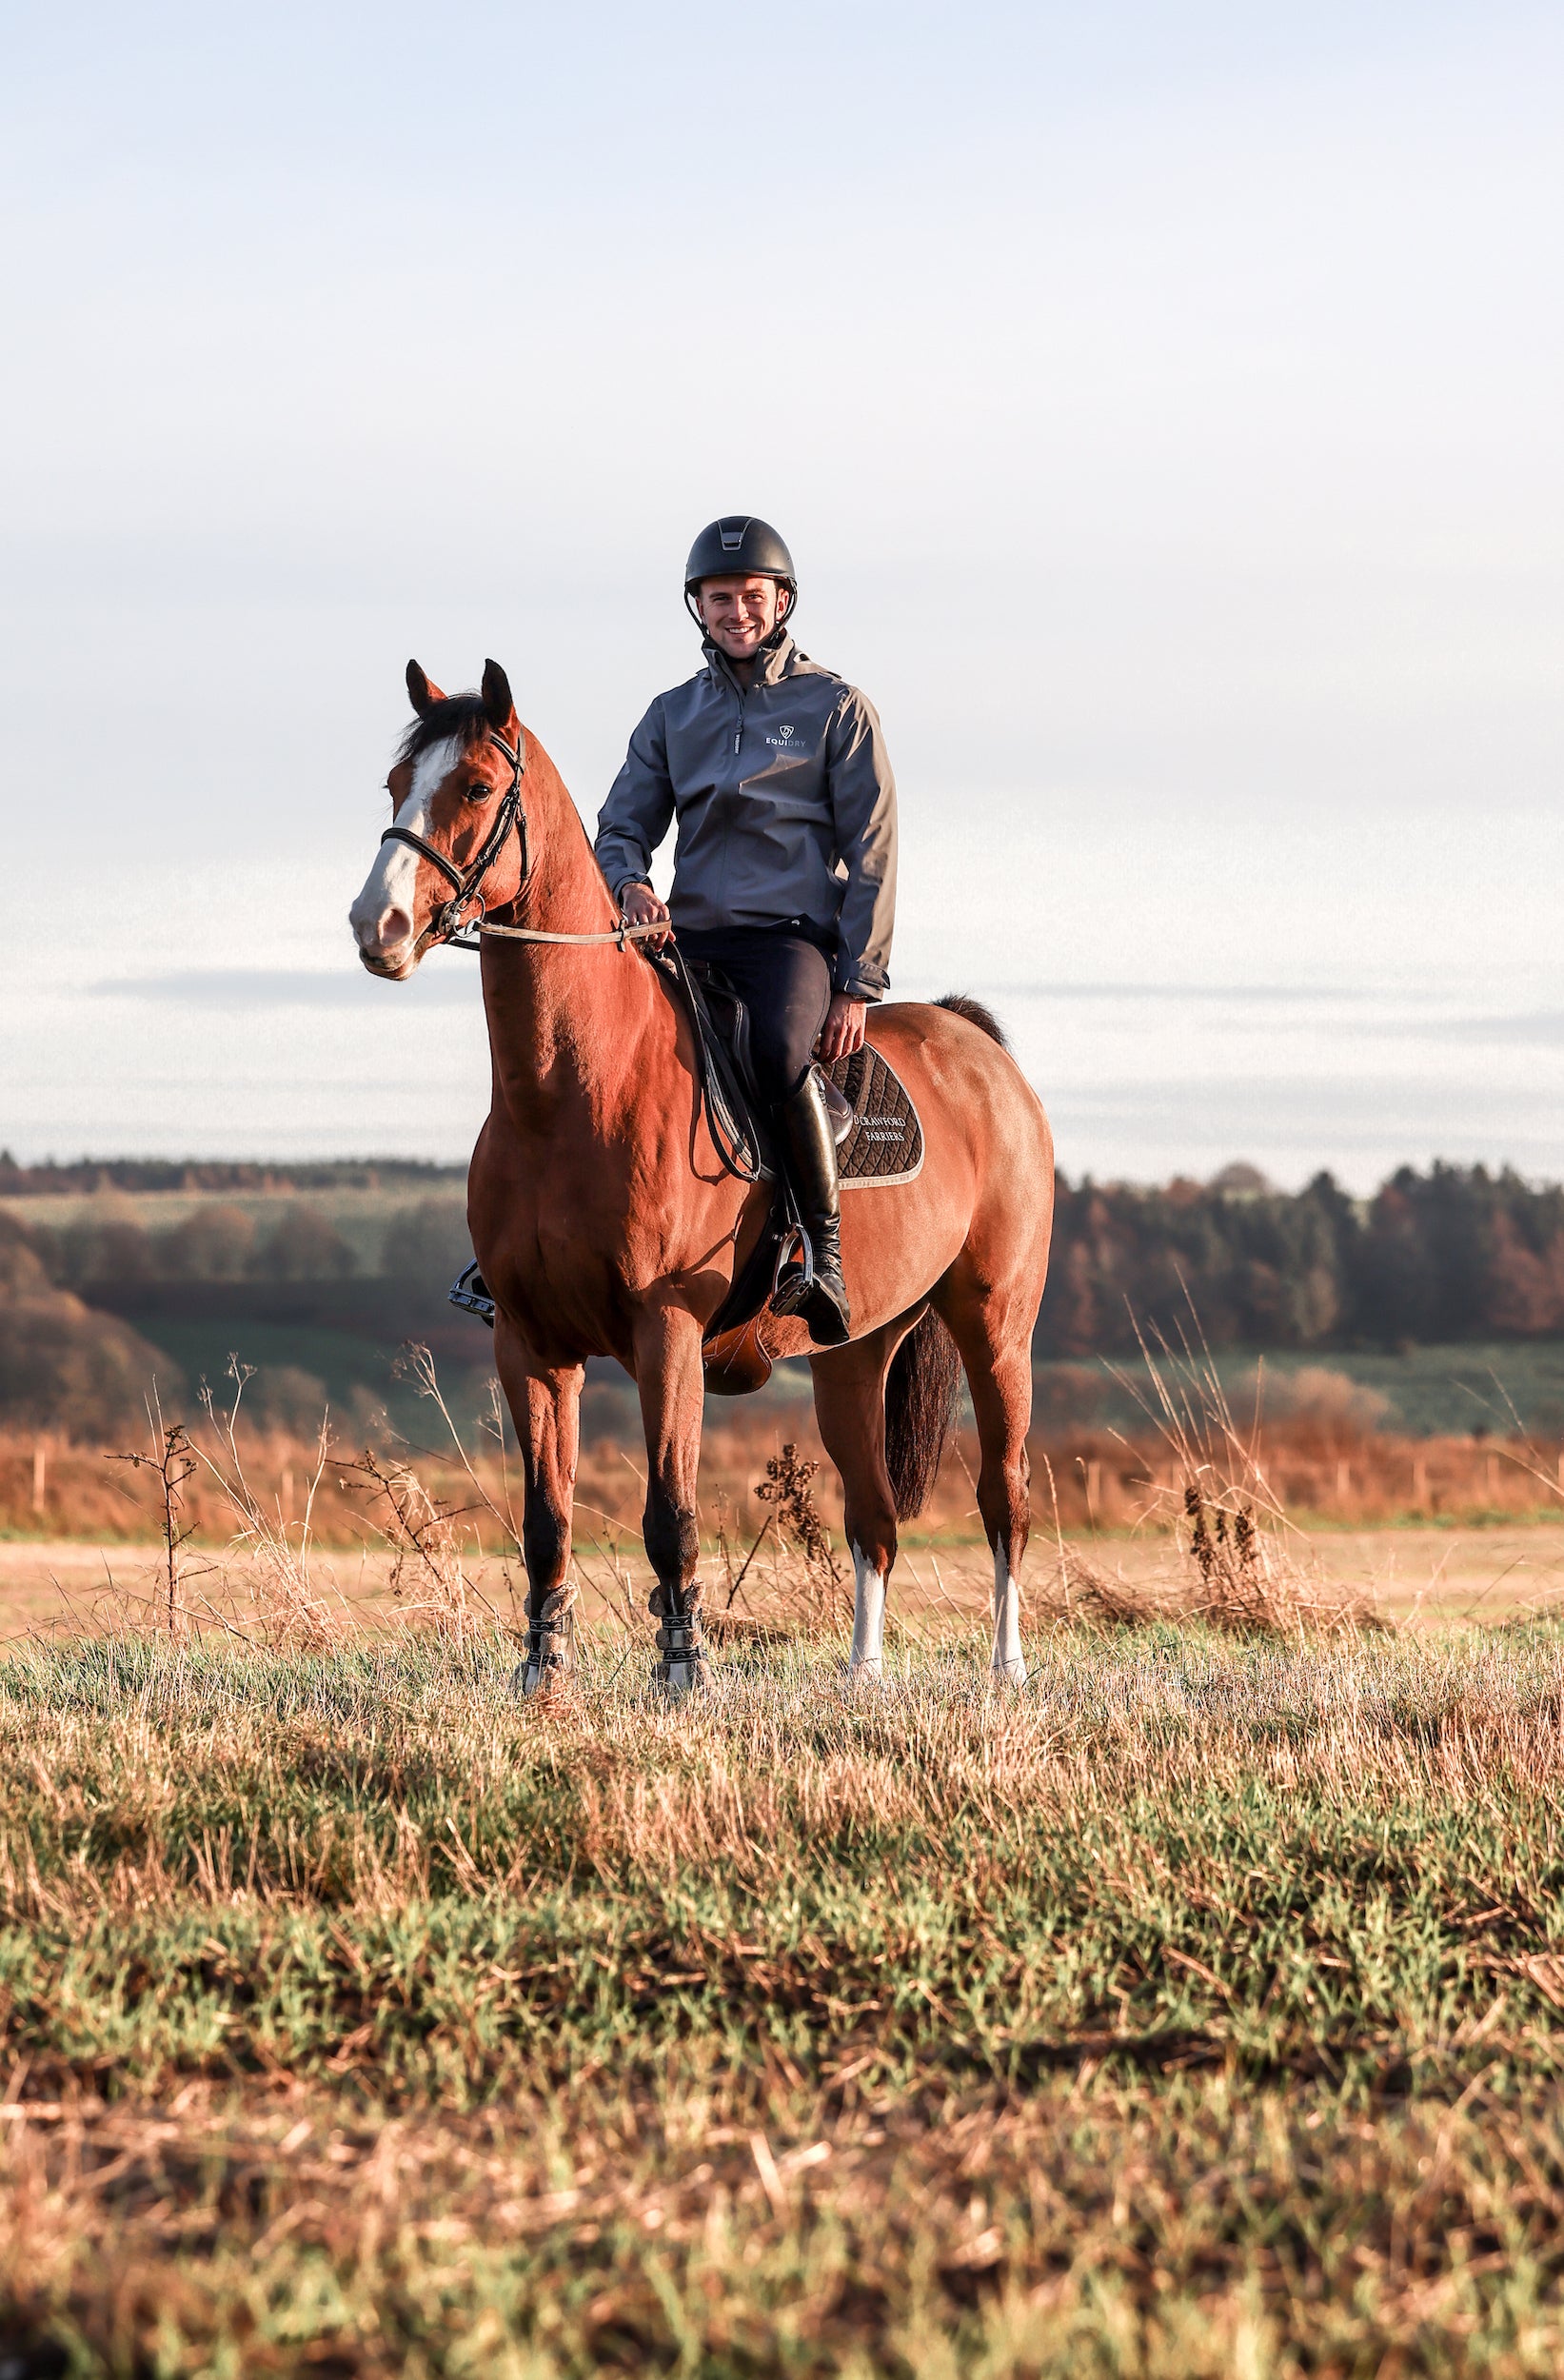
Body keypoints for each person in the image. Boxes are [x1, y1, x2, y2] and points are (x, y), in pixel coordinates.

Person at [595, 516, 898, 1347]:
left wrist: (855, 983)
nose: (736, 611)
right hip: (688, 940)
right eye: (719, 597)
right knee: (598, 1050)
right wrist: (629, 884)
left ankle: (821, 1255)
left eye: (751, 596)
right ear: (697, 606)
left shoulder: (836, 708)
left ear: (782, 601)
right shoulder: (670, 714)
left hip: (789, 940)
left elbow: (871, 852)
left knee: (771, 1054)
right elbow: (621, 823)